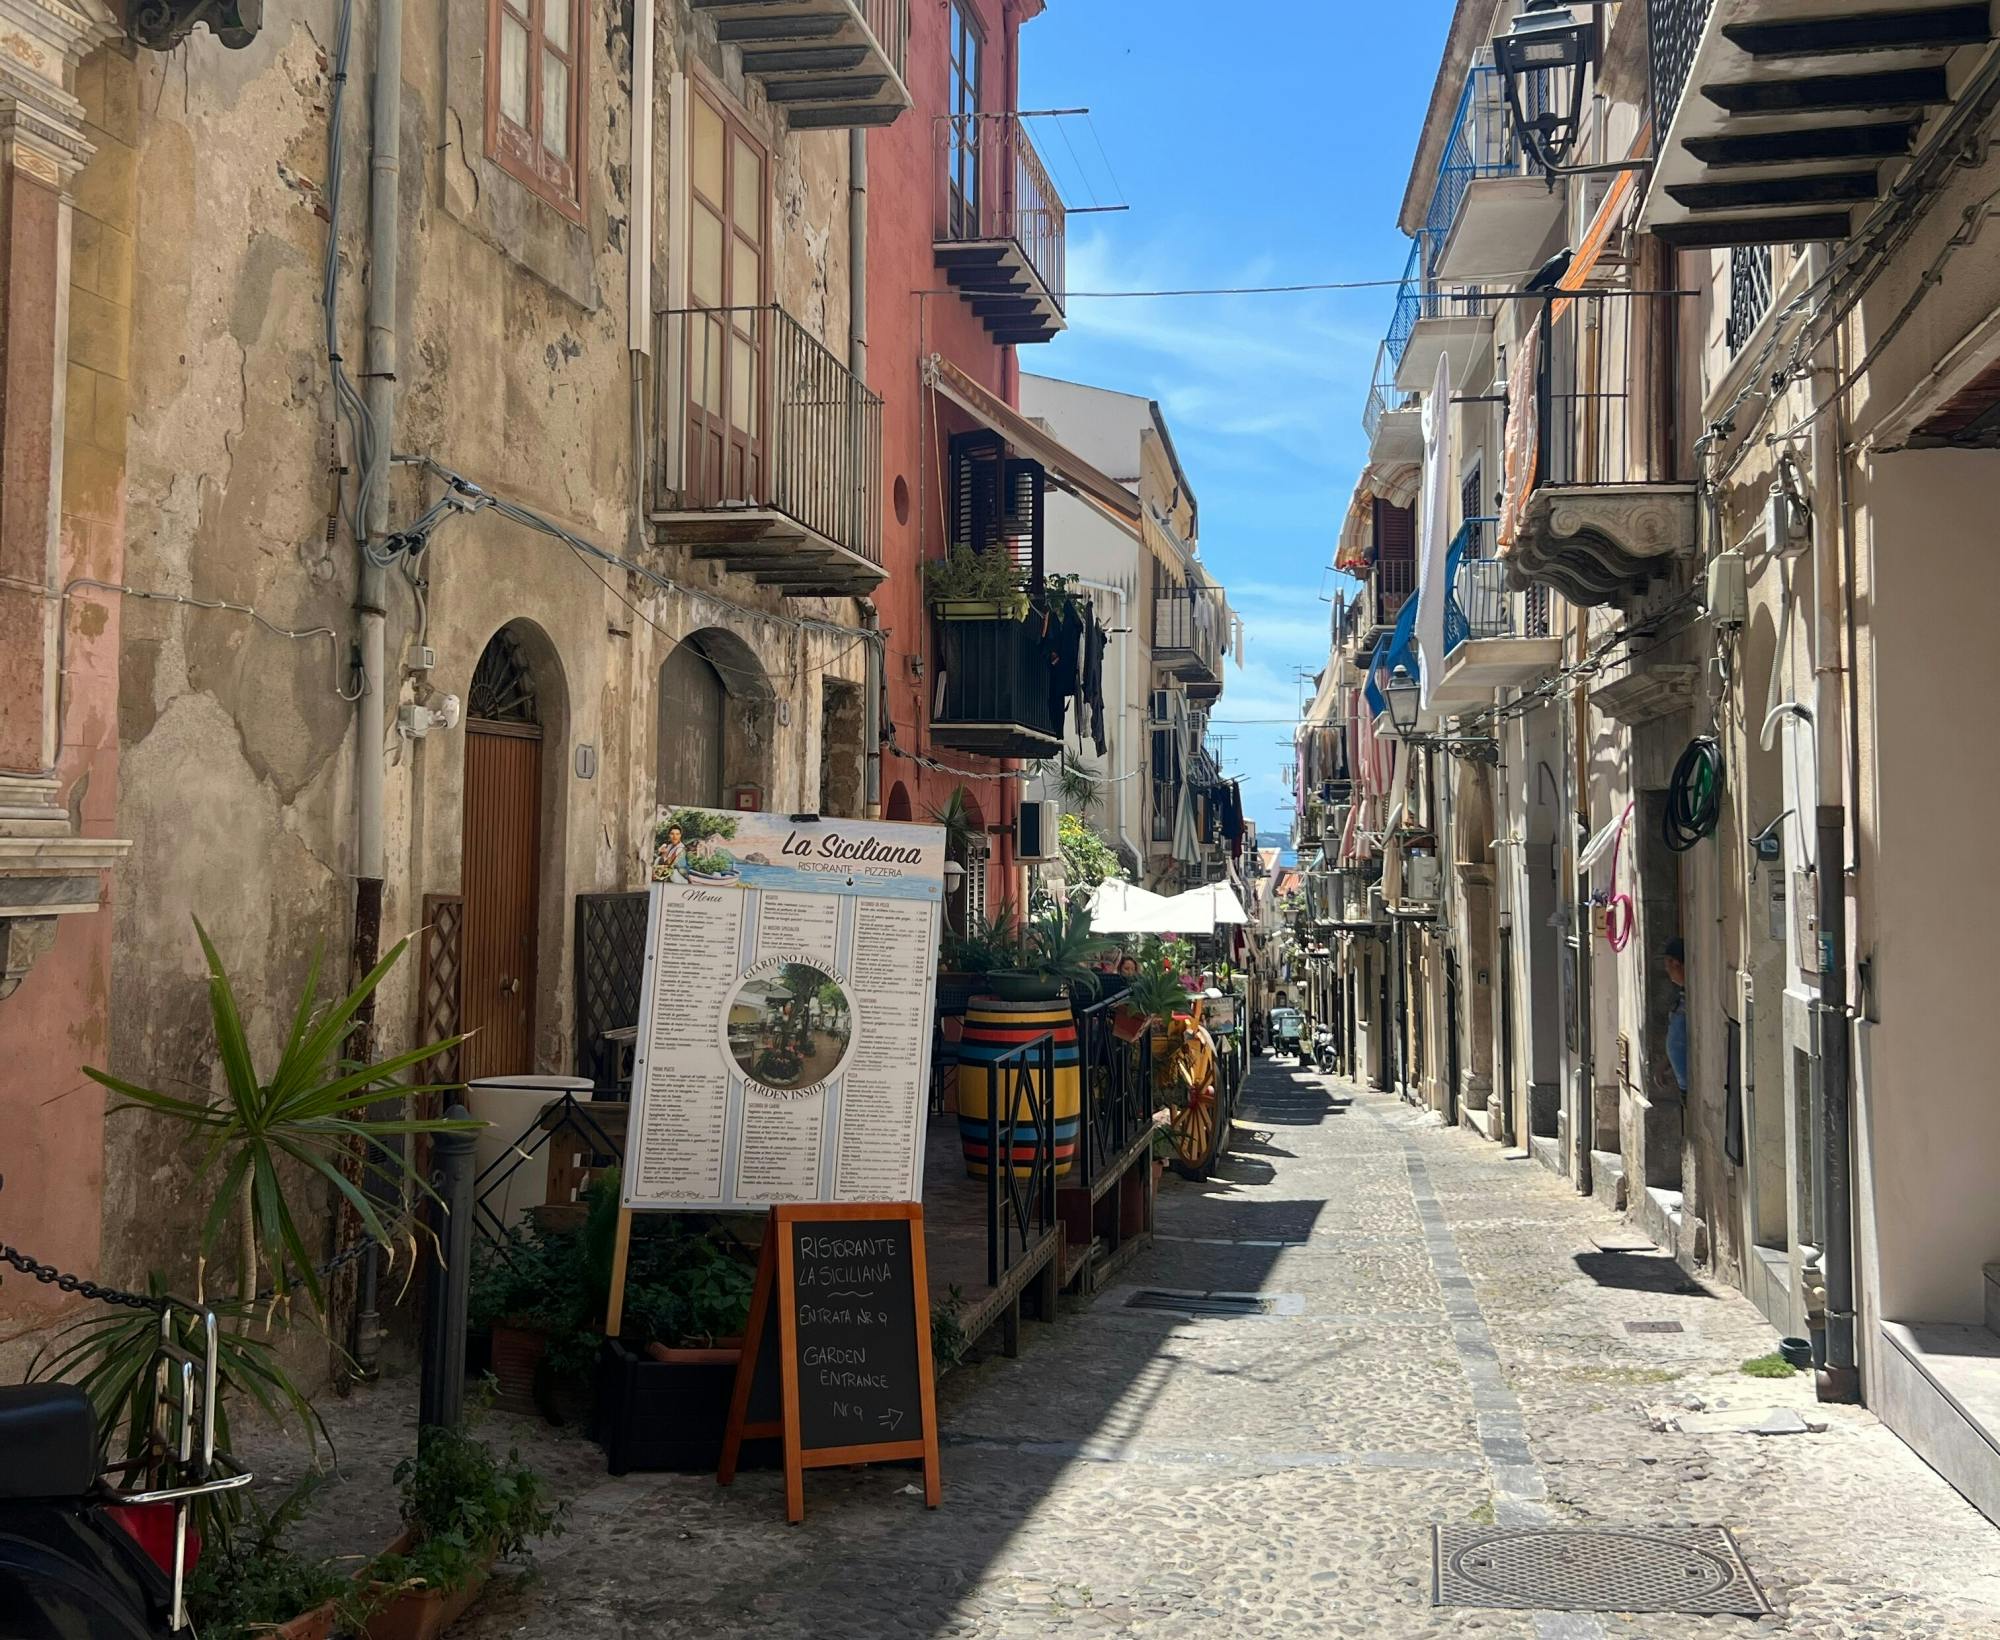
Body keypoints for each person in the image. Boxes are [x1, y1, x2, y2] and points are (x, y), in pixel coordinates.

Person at [1663, 936, 1689, 1096]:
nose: (1667, 970)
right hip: (1684, 1084)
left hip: (1690, 1083)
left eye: (1668, 965)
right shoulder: (1682, 995)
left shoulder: (1692, 996)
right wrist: (1667, 1062)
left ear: (1676, 963)